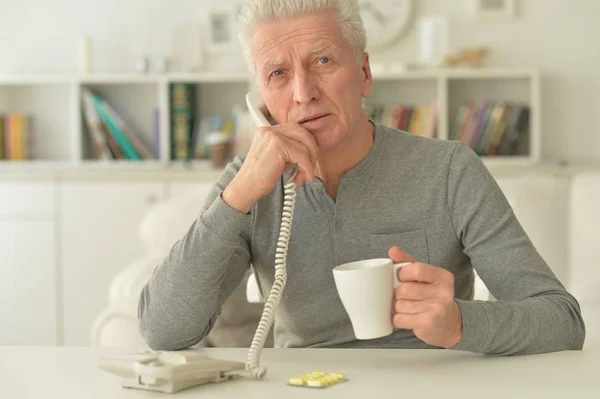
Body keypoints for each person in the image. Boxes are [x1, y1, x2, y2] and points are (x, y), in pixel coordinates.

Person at [138, 0, 585, 355]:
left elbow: (562, 320)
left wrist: (460, 324)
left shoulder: (450, 170)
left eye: (324, 61)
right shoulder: (247, 185)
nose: (303, 92)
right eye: (278, 74)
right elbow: (163, 331)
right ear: (261, 101)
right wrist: (238, 197)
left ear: (365, 73)